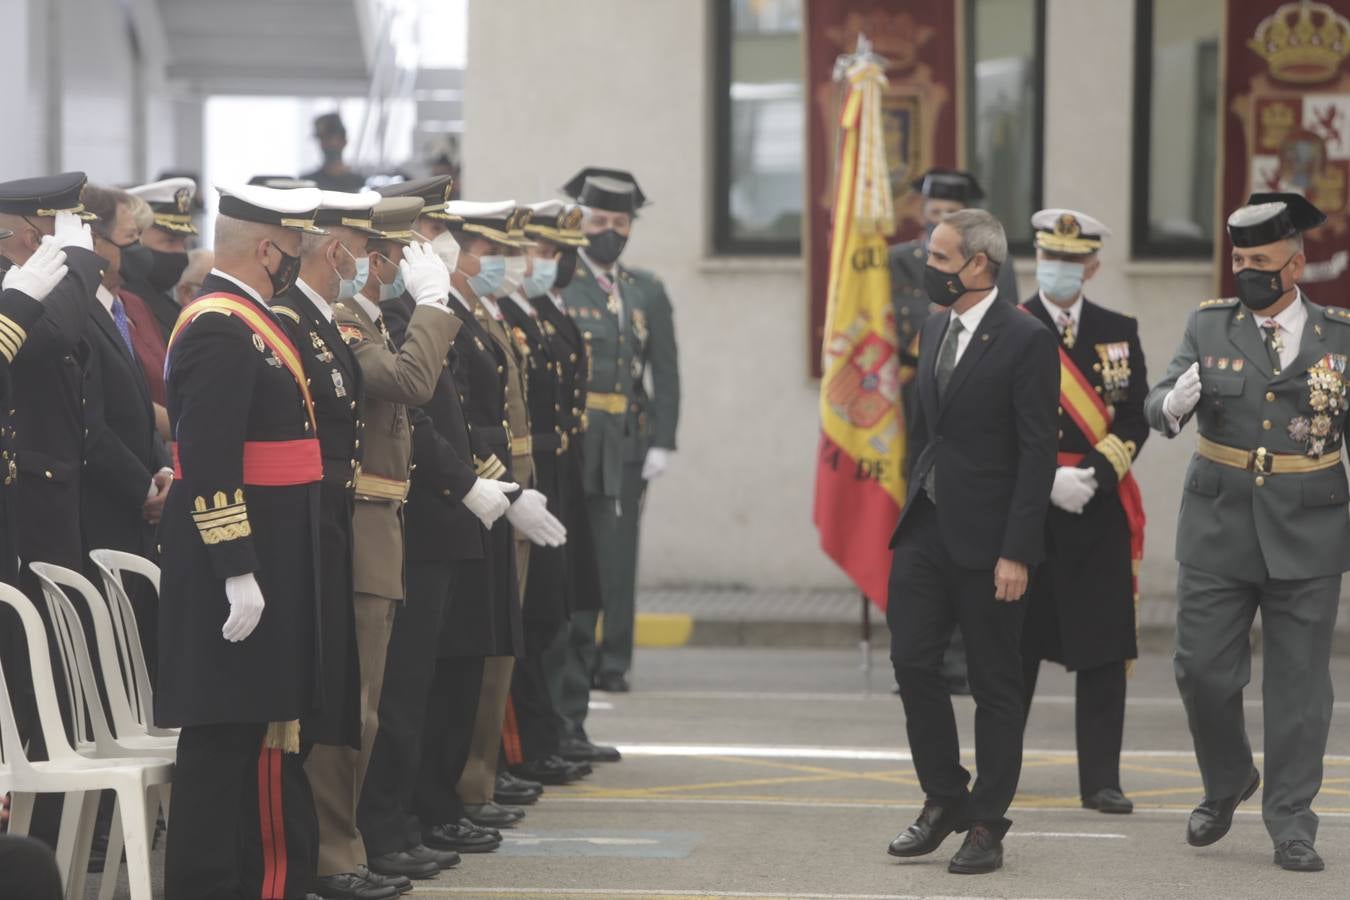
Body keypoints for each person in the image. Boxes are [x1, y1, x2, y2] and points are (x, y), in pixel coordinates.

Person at [1144, 192, 1345, 873]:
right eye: (1238, 258)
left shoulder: (1339, 337)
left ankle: (1292, 821)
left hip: (1310, 527)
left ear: (1296, 263)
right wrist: (1170, 404)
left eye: (1260, 259)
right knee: (1200, 670)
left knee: (1298, 688)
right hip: (1219, 523)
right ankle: (1227, 778)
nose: (1247, 270)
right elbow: (1159, 399)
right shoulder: (1210, 326)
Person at [157, 183, 327, 899]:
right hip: (237, 564)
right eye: (292, 251)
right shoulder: (221, 328)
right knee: (222, 737)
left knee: (242, 730)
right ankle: (206, 885)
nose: (295, 263)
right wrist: (237, 565)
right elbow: (211, 456)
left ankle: (237, 879)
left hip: (269, 555)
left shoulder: (251, 320)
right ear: (266, 250)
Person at [884, 209, 1058, 875]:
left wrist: (1018, 549)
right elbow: (931, 431)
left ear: (979, 265)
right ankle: (944, 796)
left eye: (941, 257)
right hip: (928, 526)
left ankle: (987, 821)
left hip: (992, 541)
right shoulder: (933, 326)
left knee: (995, 682)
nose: (929, 267)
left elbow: (1038, 449)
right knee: (912, 661)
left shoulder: (1025, 339)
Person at [359, 178, 519, 873]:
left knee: (433, 681)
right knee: (403, 690)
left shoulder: (426, 308)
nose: (437, 247)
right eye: (427, 234)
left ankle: (420, 815)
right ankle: (393, 825)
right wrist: (464, 481)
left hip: (447, 516)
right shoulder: (397, 312)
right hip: (418, 517)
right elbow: (412, 413)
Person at [268, 189, 390, 899]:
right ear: (336, 251)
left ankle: (329, 852)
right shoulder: (293, 323)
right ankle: (317, 856)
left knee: (341, 696)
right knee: (319, 701)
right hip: (310, 523)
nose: (374, 263)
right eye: (366, 247)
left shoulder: (319, 323)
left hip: (335, 522)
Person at [433, 200, 565, 834]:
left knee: (495, 651)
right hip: (482, 490)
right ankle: (468, 784)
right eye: (492, 251)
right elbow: (459, 421)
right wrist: (503, 489)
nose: (506, 264)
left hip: (506, 487)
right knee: (472, 658)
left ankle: (481, 775)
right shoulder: (447, 317)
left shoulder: (478, 313)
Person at [1018, 209, 1148, 815]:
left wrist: (1091, 476)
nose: (1059, 269)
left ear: (1091, 266)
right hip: (1027, 509)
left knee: (1101, 648)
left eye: (1071, 261)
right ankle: (999, 770)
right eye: (1050, 257)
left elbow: (1132, 417)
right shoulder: (1008, 327)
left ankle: (1101, 780)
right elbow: (990, 420)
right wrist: (1046, 479)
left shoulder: (1118, 330)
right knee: (1014, 651)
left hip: (1096, 509)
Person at [890, 168, 1016, 696]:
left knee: (969, 548)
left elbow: (1001, 321)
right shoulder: (898, 261)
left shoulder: (993, 266)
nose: (938, 218)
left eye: (950, 213)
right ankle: (922, 652)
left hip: (974, 417)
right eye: (932, 209)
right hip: (915, 413)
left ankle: (963, 658)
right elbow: (892, 325)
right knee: (921, 542)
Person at [558, 166, 681, 701]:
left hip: (629, 438)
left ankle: (616, 657)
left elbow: (666, 370)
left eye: (620, 221)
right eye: (599, 219)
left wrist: (663, 441)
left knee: (618, 550)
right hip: (578, 435)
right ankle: (576, 651)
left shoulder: (645, 290)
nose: (610, 230)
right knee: (575, 549)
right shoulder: (562, 281)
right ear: (580, 221)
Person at [500, 200, 601, 784]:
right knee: (531, 617)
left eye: (548, 252)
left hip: (554, 471)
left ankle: (545, 736)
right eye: (534, 250)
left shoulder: (537, 313)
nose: (540, 262)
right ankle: (529, 743)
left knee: (551, 610)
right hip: (526, 473)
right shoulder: (513, 314)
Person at [126, 176, 198, 340]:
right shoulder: (124, 307)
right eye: (170, 241)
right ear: (135, 238)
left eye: (184, 243)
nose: (180, 252)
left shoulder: (166, 305)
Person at [304, 113, 367, 193]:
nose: (326, 144)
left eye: (330, 138)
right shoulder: (309, 182)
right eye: (322, 139)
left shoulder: (359, 182)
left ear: (343, 141)